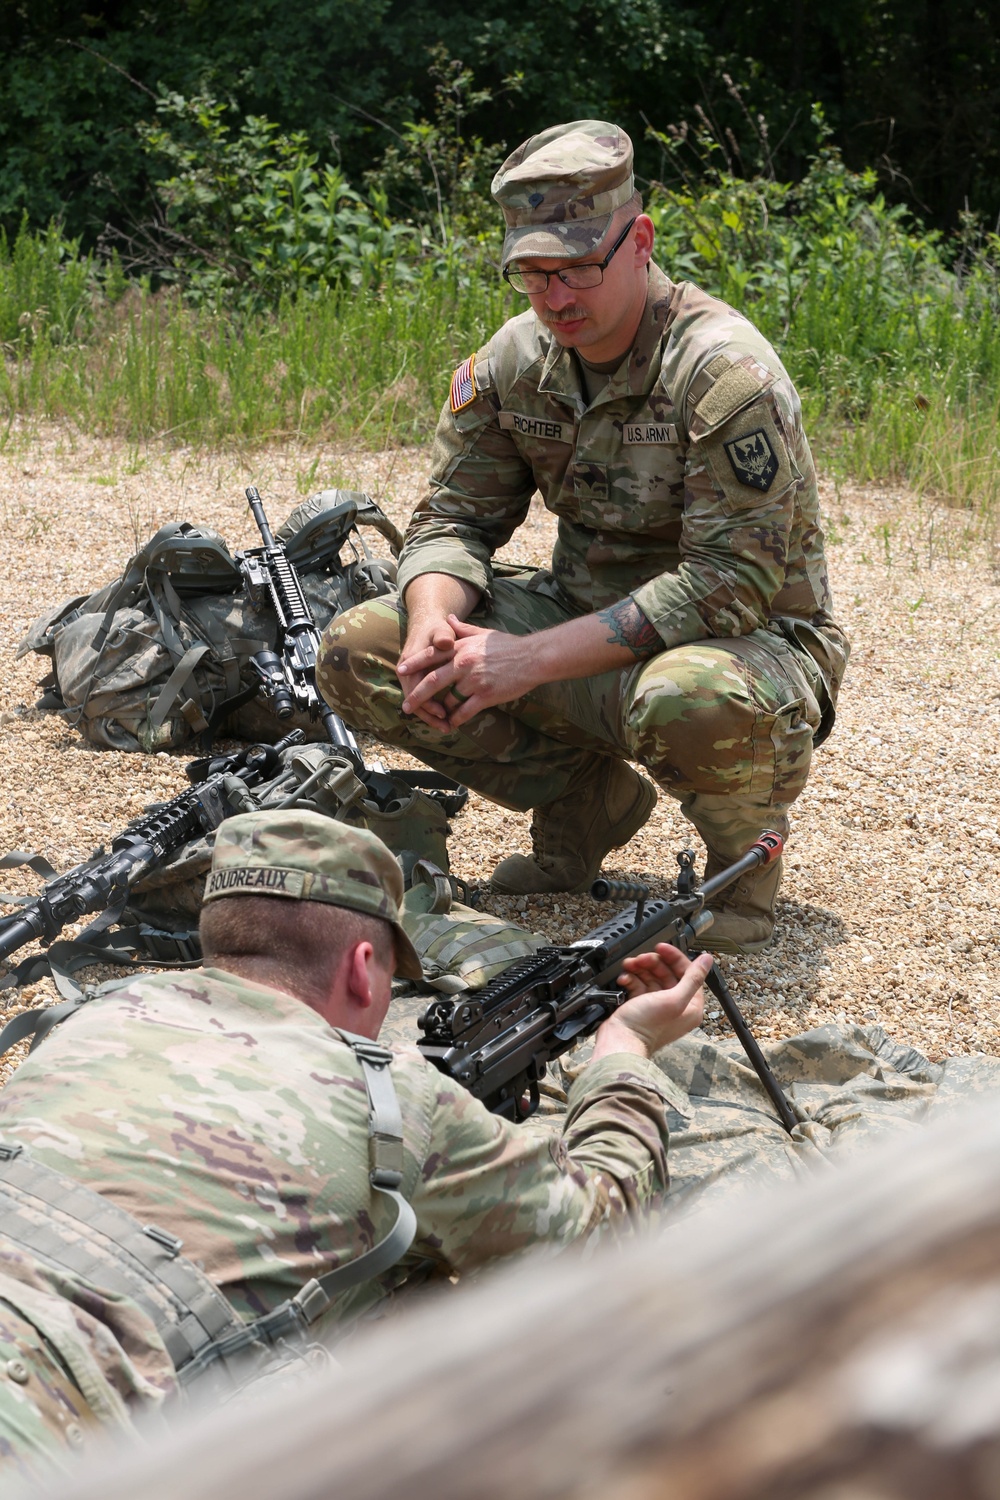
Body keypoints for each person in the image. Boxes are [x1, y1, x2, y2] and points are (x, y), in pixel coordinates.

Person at [0, 808, 710, 1482]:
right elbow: (599, 1237)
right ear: (360, 964)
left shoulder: (96, 1021)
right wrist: (625, 1052)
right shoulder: (396, 1100)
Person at [316, 119, 849, 954]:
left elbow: (727, 583)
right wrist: (432, 618)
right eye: (532, 274)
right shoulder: (513, 363)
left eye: (576, 271)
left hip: (744, 648)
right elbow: (455, 519)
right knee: (362, 648)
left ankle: (740, 872)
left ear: (638, 240)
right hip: (583, 625)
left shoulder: (721, 373)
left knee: (687, 698)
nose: (555, 298)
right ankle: (583, 798)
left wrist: (524, 661)